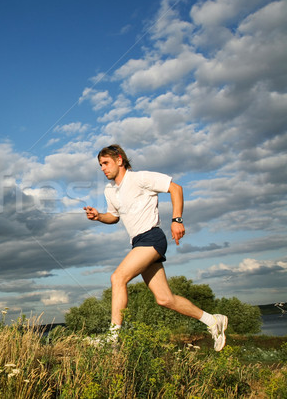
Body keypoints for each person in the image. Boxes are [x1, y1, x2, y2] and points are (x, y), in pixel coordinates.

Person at [84, 144, 228, 351]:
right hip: (138, 243)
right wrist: (98, 217)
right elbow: (114, 217)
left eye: (105, 163)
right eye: (100, 165)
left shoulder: (140, 178)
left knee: (118, 278)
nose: (102, 168)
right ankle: (213, 321)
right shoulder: (111, 191)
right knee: (164, 298)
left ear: (119, 160)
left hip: (152, 238)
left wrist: (177, 219)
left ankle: (113, 339)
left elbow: (175, 188)